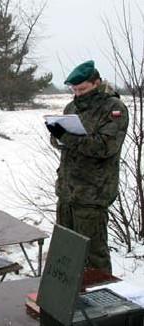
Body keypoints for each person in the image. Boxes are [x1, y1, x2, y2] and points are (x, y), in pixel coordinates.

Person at [46, 60, 129, 273]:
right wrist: (56, 135)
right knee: (65, 252)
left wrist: (68, 138)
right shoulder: (71, 107)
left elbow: (105, 146)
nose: (78, 93)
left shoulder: (113, 108)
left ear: (97, 83)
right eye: (74, 89)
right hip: (67, 190)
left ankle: (103, 300)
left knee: (94, 255)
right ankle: (67, 297)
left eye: (82, 89)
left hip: (93, 193)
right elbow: (60, 143)